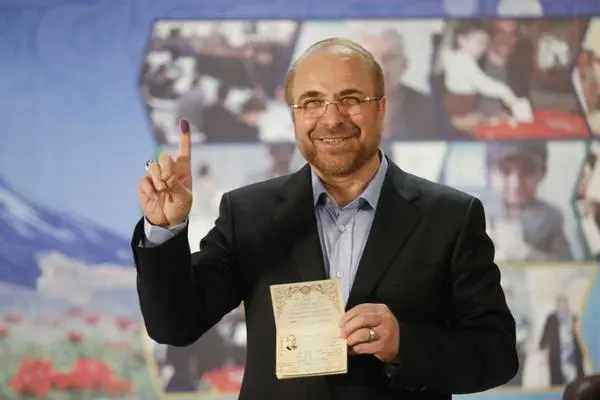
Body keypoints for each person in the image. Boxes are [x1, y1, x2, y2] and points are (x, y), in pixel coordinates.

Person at [133, 37, 518, 400]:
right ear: (293, 115)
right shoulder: (249, 213)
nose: (332, 119)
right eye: (312, 102)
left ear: (381, 108)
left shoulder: (450, 216)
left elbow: (496, 353)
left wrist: (404, 343)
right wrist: (164, 229)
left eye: (350, 99)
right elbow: (175, 325)